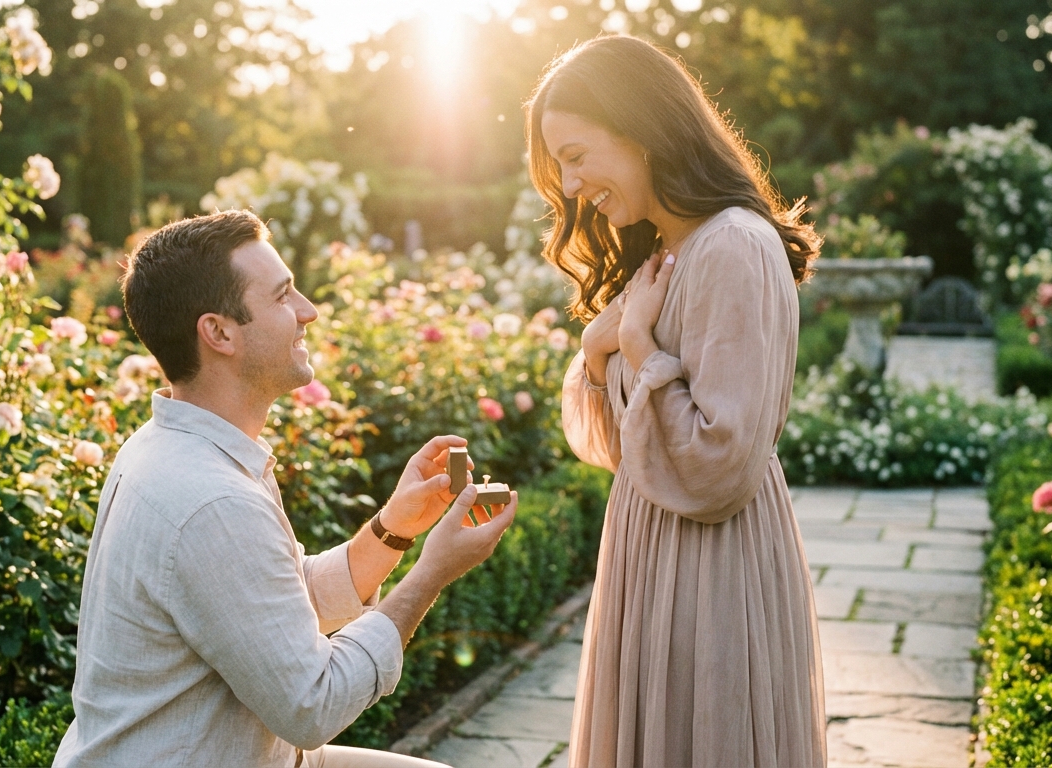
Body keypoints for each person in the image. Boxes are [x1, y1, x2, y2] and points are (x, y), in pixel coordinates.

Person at [52, 209, 517, 768]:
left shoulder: (180, 446)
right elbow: (312, 705)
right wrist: (431, 572)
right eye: (282, 296)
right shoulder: (213, 500)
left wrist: (395, 528)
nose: (308, 310)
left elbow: (278, 604)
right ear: (219, 333)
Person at [525, 35, 827, 767]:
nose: (571, 186)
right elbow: (615, 445)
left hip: (710, 565)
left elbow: (718, 466)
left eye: (576, 156)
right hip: (653, 549)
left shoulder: (732, 246)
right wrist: (600, 345)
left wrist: (636, 348)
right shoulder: (668, 251)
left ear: (641, 130)